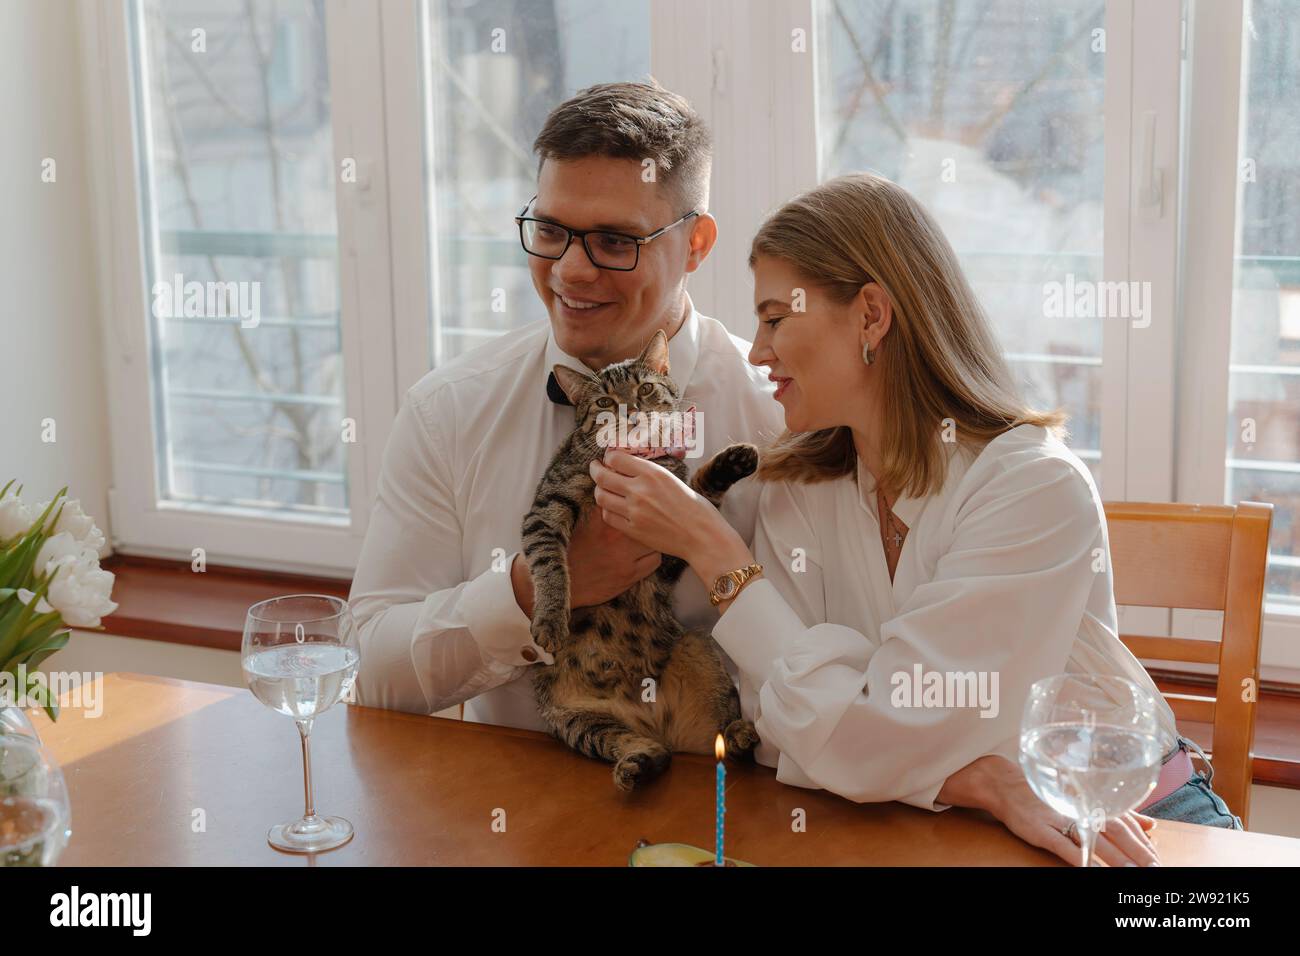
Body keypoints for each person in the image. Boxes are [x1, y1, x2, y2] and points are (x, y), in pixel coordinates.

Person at [589, 172, 1244, 868]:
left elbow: (863, 728)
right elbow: (775, 727)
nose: (758, 352)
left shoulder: (1031, 488)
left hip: (1119, 823)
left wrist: (712, 548)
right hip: (941, 824)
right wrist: (977, 780)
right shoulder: (798, 486)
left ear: (872, 316)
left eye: (777, 317)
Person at [347, 81, 784, 730]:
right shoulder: (449, 412)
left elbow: (815, 680)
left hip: (717, 810)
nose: (571, 272)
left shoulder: (778, 420)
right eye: (550, 230)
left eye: (614, 242)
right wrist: (529, 591)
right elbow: (370, 674)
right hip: (508, 818)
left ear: (695, 244)